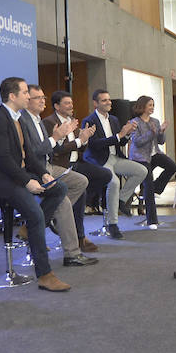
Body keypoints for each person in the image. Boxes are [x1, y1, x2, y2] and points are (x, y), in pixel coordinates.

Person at [0, 77, 74, 290]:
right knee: (36, 214)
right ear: (12, 96)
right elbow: (3, 160)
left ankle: (29, 230)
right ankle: (44, 274)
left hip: (18, 174)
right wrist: (28, 181)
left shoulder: (18, 119)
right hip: (1, 181)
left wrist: (42, 174)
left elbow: (29, 154)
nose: (28, 96)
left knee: (59, 188)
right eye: (24, 93)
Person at [21, 85, 97, 265]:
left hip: (47, 165)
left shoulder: (37, 119)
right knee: (62, 200)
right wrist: (57, 137)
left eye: (43, 97)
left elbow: (49, 148)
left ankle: (45, 218)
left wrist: (70, 138)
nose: (42, 101)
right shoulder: (24, 121)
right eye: (37, 97)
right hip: (36, 168)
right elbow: (33, 153)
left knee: (81, 181)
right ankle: (72, 253)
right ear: (26, 101)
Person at [44, 90, 113, 241]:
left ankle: (75, 203)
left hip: (78, 163)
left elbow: (80, 147)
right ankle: (79, 236)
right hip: (61, 165)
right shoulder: (50, 122)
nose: (71, 106)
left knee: (105, 175)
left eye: (71, 103)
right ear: (57, 106)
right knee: (81, 191)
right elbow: (56, 150)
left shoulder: (72, 121)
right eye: (67, 103)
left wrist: (85, 139)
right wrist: (79, 141)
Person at [81, 89, 147, 238]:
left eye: (109, 100)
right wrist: (120, 135)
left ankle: (121, 200)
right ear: (95, 103)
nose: (109, 102)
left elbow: (120, 141)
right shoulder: (89, 121)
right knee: (114, 182)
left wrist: (127, 133)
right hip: (99, 160)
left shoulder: (114, 120)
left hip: (115, 157)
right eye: (104, 100)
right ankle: (112, 224)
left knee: (141, 171)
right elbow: (95, 145)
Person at [127, 95, 176, 228]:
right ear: (142, 106)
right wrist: (151, 133)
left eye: (153, 105)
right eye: (150, 105)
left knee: (172, 166)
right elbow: (137, 142)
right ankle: (152, 220)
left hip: (154, 154)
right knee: (148, 185)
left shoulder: (155, 120)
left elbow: (161, 141)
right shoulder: (134, 122)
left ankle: (155, 188)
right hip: (140, 157)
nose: (152, 108)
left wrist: (161, 132)